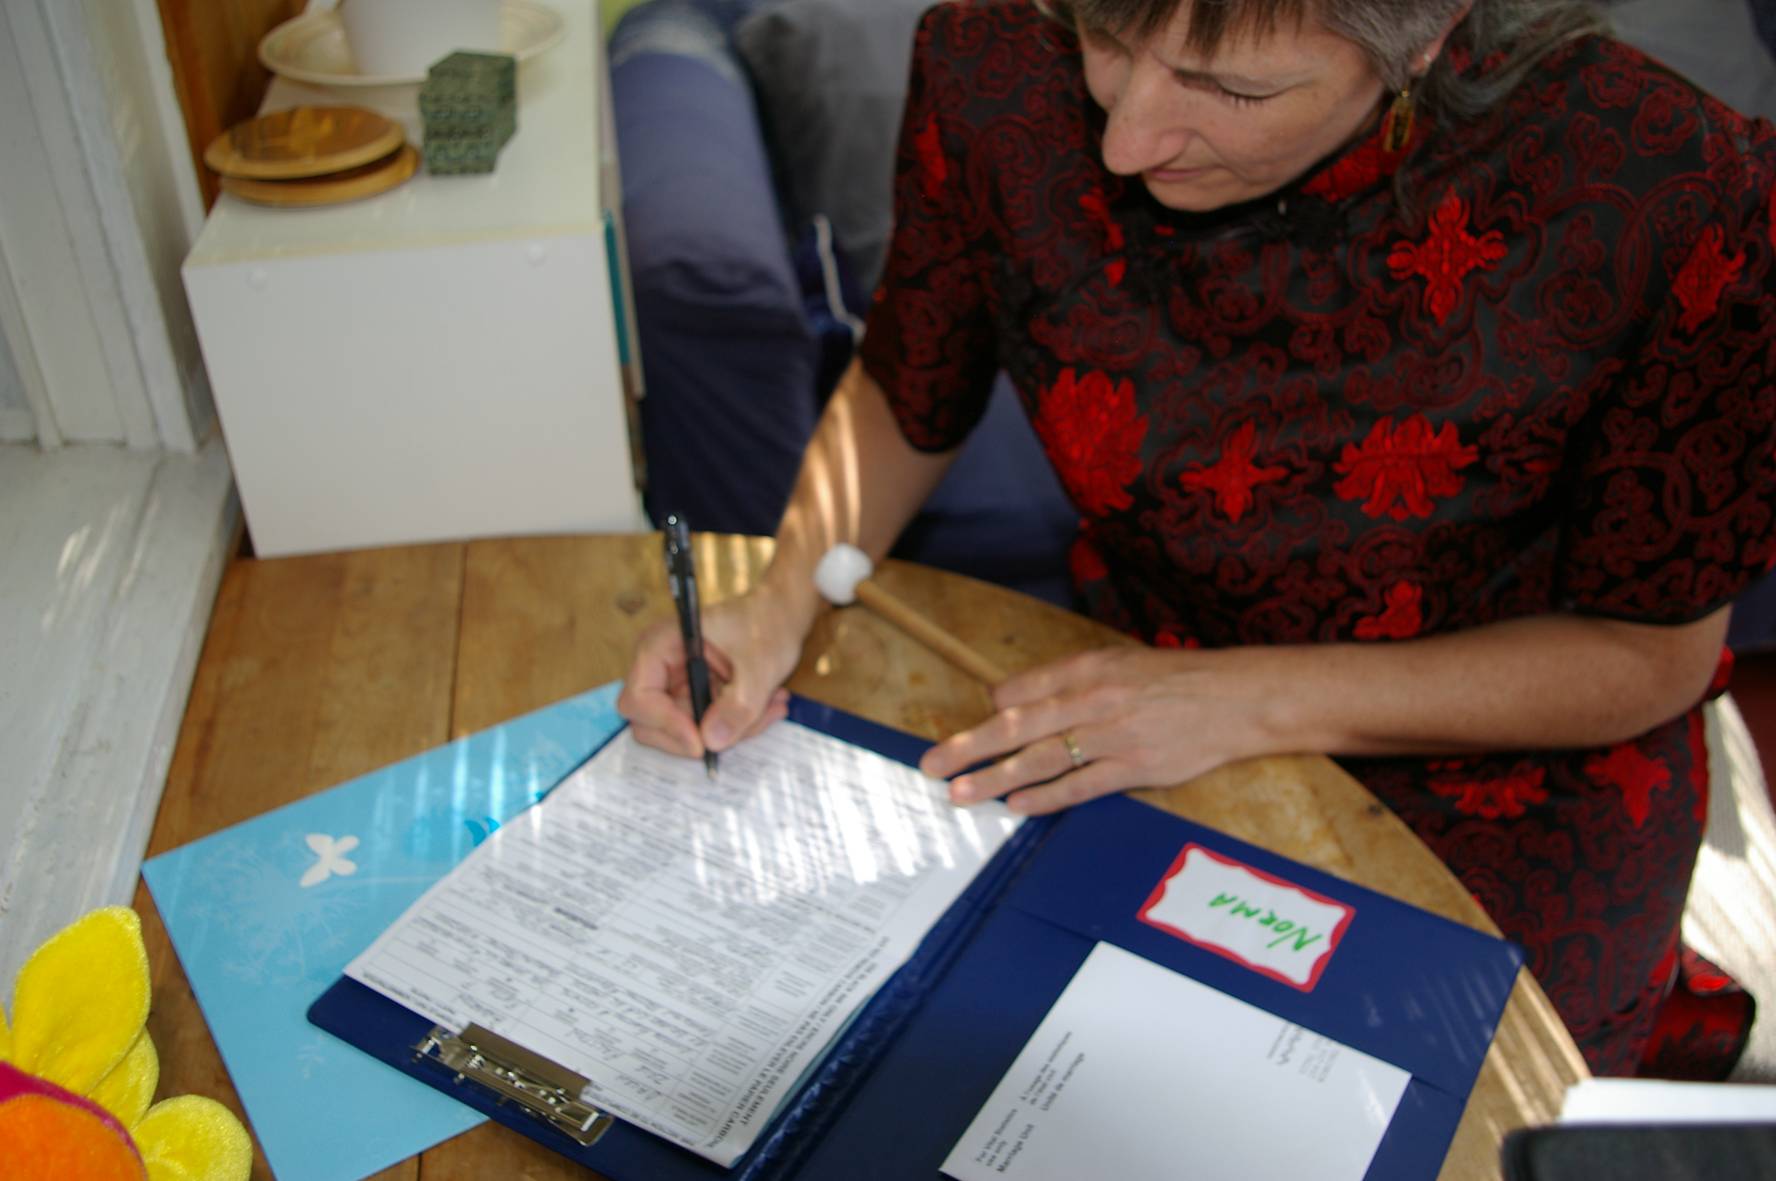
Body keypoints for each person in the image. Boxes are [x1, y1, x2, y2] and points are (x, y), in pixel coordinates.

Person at [620, 0, 1776, 1076]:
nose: (1126, 139)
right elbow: (905, 389)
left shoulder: (1669, 186)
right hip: (1150, 684)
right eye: (1110, 38)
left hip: (1517, 767)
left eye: (1231, 89)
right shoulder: (999, 60)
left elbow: (1650, 654)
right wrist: (774, 601)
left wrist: (1241, 699)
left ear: (1420, 38)